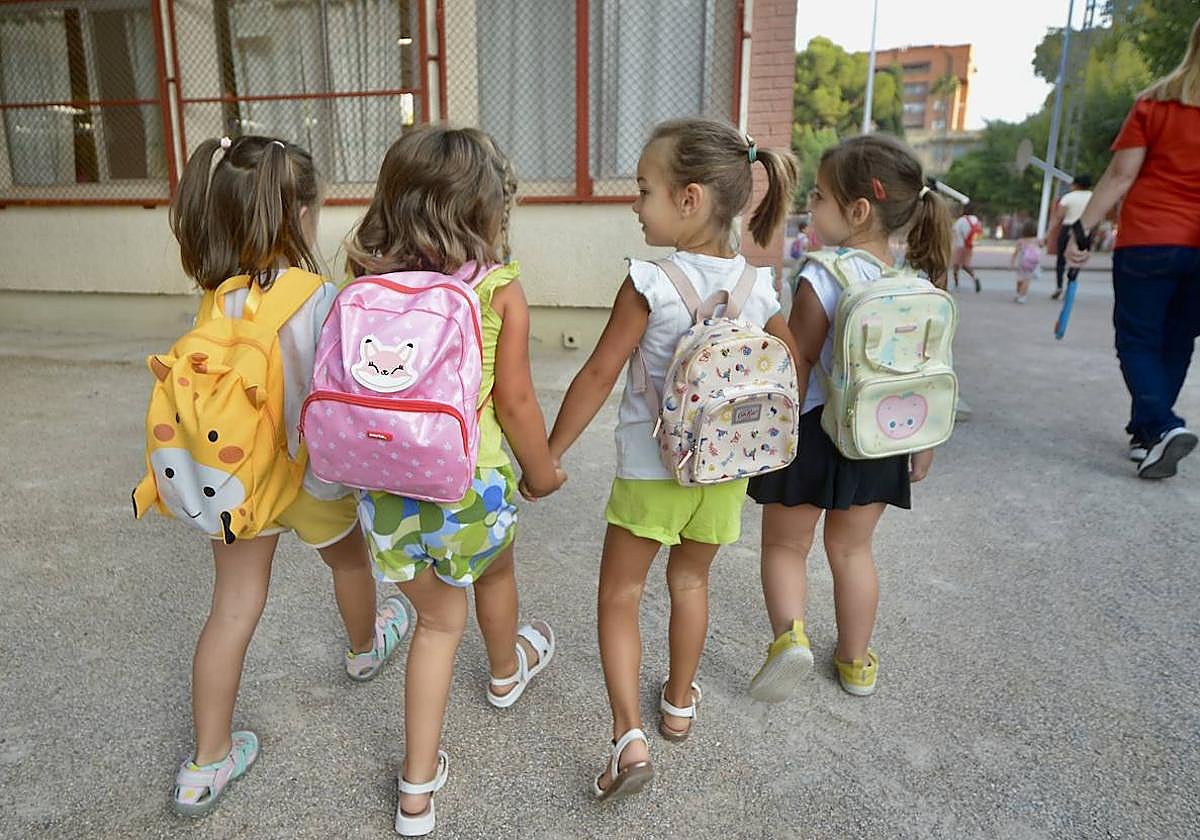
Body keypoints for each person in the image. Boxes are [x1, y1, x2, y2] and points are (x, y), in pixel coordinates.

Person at [546, 118, 797, 801]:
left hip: (651, 471)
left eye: (644, 189)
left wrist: (550, 451)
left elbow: (598, 374)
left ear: (688, 200)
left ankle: (630, 737)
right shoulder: (760, 286)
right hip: (721, 473)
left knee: (620, 595)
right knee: (691, 585)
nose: (635, 202)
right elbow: (789, 367)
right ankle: (679, 704)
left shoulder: (650, 283)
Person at [163, 136, 411, 817]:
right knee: (349, 563)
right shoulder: (320, 297)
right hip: (314, 479)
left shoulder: (217, 301)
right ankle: (366, 646)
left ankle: (206, 763)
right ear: (301, 214)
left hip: (237, 483)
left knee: (233, 607)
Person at [346, 126, 564, 836]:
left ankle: (417, 790)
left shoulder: (363, 281)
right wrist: (543, 470)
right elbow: (518, 403)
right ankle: (506, 670)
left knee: (435, 621)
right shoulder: (498, 291)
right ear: (487, 212)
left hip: (383, 485)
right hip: (472, 481)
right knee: (494, 572)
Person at [746, 133, 949, 703]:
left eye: (820, 197)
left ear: (857, 211)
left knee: (786, 547)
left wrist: (772, 429)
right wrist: (922, 444)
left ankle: (790, 639)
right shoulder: (912, 284)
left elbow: (801, 359)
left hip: (814, 430)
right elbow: (924, 372)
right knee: (853, 551)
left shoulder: (824, 274)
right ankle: (856, 662)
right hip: (881, 435)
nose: (812, 206)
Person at [1067, 16, 1200, 479]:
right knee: (1178, 339)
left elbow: (1121, 176)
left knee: (1138, 340)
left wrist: (1081, 230)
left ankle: (1162, 424)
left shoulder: (1156, 103)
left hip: (1149, 239)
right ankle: (1148, 435)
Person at [1049, 175, 1093, 300]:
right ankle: (1071, 282)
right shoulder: (1093, 197)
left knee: (1061, 258)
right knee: (1078, 257)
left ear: (1075, 185)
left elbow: (1059, 216)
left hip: (1068, 228)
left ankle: (1058, 286)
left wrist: (1049, 232)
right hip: (1085, 229)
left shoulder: (1068, 197)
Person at [951, 205, 983, 292]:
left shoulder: (961, 220)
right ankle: (975, 277)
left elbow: (955, 230)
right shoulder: (975, 219)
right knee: (966, 265)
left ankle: (956, 284)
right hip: (970, 245)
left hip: (960, 245)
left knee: (956, 265)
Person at [1011, 219, 1043, 304]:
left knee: (1020, 279)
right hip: (1032, 264)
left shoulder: (1021, 241)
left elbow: (1015, 252)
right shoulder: (1037, 240)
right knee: (1027, 280)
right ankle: (1023, 296)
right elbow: (1041, 246)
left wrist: (1012, 262)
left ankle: (1018, 293)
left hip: (1022, 263)